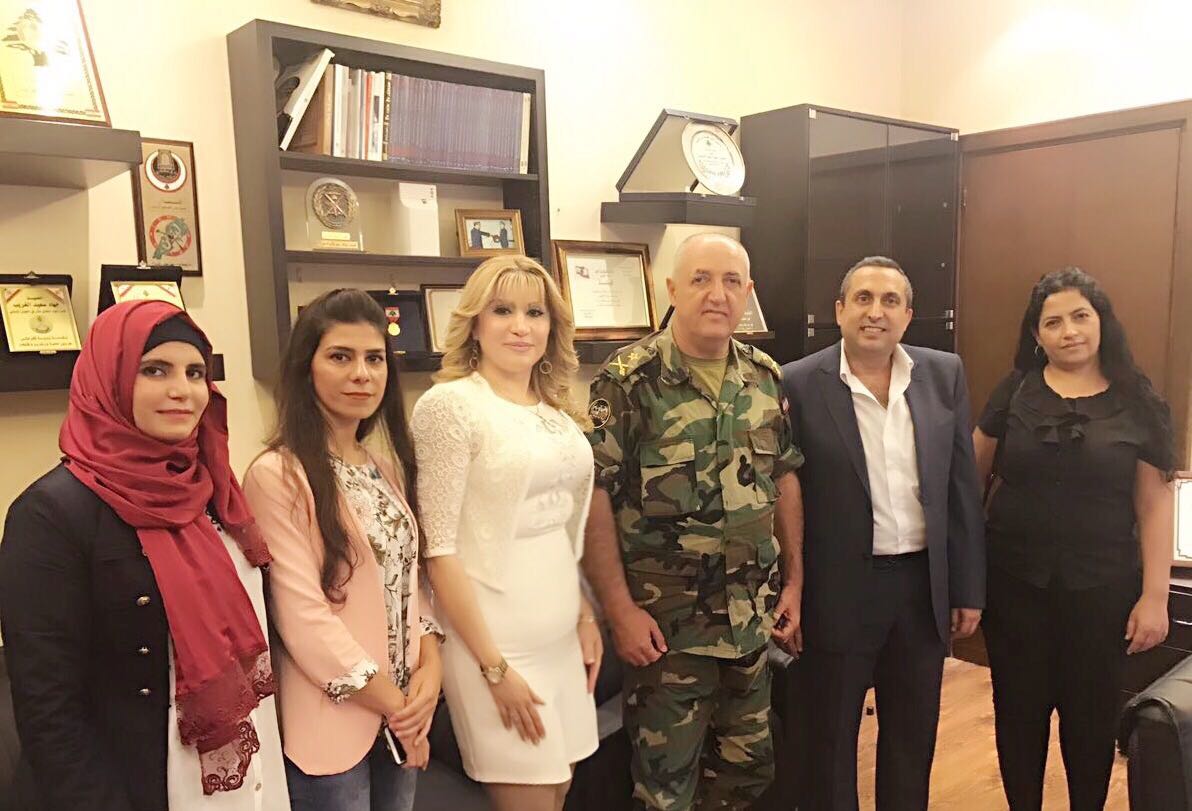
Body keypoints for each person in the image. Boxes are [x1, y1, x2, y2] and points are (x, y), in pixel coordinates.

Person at [0, 300, 288, 811]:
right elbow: (49, 712)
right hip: (133, 785)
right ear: (107, 380)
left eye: (195, 372)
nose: (183, 390)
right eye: (155, 370)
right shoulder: (51, 513)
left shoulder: (212, 490)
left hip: (241, 770)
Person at [583, 232, 804, 810]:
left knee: (746, 776)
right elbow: (595, 498)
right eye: (701, 279)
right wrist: (619, 611)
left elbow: (783, 478)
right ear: (672, 289)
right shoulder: (628, 380)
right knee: (665, 791)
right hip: (667, 633)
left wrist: (795, 583)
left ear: (748, 293)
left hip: (751, 621)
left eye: (731, 282)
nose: (717, 294)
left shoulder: (765, 377)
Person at [781, 256, 985, 811]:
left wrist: (967, 587)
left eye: (890, 301)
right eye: (863, 299)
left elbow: (961, 485)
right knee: (830, 740)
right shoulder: (798, 382)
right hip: (840, 589)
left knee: (912, 738)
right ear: (839, 310)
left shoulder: (942, 374)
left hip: (921, 587)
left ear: (908, 315)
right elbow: (786, 493)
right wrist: (791, 586)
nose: (876, 312)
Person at [972, 267, 1173, 811]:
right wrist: (964, 580)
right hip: (1013, 588)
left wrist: (1155, 596)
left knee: (1091, 722)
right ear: (1036, 335)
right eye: (1053, 322)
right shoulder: (1015, 391)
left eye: (1080, 316)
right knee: (1018, 717)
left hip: (1103, 592)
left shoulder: (1138, 401)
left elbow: (1154, 504)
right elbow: (968, 481)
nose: (1069, 331)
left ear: (1101, 322)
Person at [410, 255, 601, 811]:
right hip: (494, 646)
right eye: (502, 311)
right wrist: (493, 668)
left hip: (561, 637)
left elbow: (562, 528)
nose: (521, 326)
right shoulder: (450, 407)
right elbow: (438, 549)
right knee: (529, 797)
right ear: (475, 323)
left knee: (559, 790)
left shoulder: (557, 413)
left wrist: (585, 616)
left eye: (534, 313)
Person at [242, 288, 442, 811]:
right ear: (305, 368)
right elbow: (302, 617)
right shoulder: (277, 475)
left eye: (374, 359)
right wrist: (397, 705)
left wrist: (431, 667)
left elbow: (409, 582)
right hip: (333, 721)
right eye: (340, 357)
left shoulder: (384, 468)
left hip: (402, 717)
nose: (362, 374)